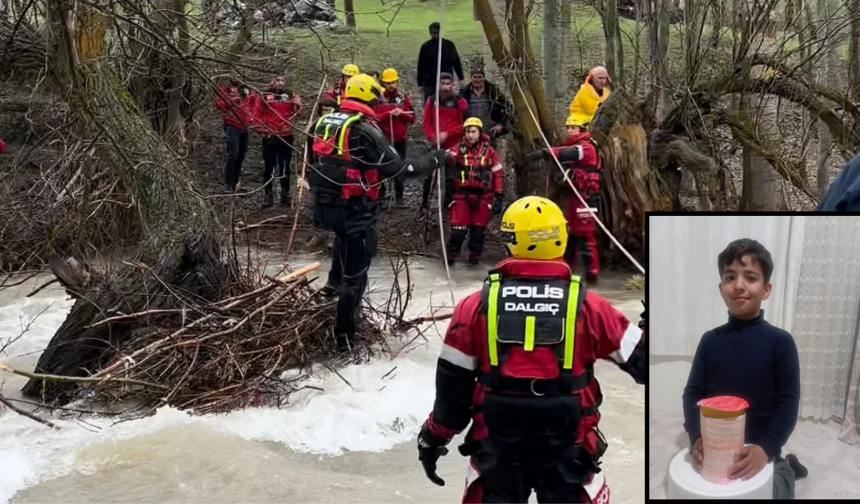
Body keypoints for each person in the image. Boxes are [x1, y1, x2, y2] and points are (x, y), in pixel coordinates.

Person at [416, 195, 645, 503]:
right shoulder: (592, 307)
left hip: (496, 454)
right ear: (561, 239)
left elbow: (452, 395)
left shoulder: (472, 307)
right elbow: (645, 365)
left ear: (511, 241)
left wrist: (432, 437)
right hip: (571, 453)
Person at [309, 73, 447, 352]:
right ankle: (344, 340)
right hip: (354, 209)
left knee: (342, 243)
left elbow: (314, 161)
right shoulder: (364, 129)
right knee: (356, 275)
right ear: (370, 96)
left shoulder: (323, 121)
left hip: (324, 205)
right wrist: (434, 160)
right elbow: (399, 169)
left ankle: (330, 291)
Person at [683, 239, 805, 499]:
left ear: (766, 289)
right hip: (716, 447)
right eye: (730, 277)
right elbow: (692, 394)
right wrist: (695, 438)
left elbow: (788, 402)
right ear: (721, 287)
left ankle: (789, 468)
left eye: (750, 277)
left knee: (771, 492)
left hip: (761, 449)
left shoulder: (780, 342)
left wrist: (766, 448)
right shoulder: (710, 341)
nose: (738, 285)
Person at [527, 113, 603, 283]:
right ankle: (567, 271)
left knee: (586, 237)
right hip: (574, 198)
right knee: (571, 235)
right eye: (568, 128)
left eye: (573, 128)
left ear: (582, 129)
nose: (570, 131)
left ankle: (592, 275)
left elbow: (571, 154)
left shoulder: (587, 147)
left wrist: (547, 152)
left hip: (586, 199)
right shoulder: (574, 145)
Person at [443, 117, 504, 265]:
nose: (470, 135)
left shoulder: (489, 152)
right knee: (458, 231)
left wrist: (499, 193)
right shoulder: (457, 149)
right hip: (461, 195)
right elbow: (448, 156)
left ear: (479, 133)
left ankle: (474, 260)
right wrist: (445, 156)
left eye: (473, 132)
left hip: (483, 195)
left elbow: (498, 173)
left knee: (477, 232)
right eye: (468, 132)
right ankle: (450, 258)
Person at [250, 75, 303, 208]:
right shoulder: (264, 95)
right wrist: (263, 130)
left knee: (285, 167)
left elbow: (299, 114)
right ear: (272, 81)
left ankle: (285, 195)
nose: (280, 83)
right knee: (269, 167)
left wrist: (298, 104)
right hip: (270, 136)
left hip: (286, 135)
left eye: (282, 80)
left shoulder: (290, 95)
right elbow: (257, 114)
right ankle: (268, 196)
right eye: (277, 80)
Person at [422, 73, 469, 210]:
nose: (445, 87)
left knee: (451, 177)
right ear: (438, 85)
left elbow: (466, 124)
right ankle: (425, 204)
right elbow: (426, 122)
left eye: (448, 84)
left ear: (453, 85)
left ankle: (448, 205)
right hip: (435, 143)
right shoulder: (431, 100)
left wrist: (447, 134)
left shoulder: (460, 101)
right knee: (429, 175)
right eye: (443, 84)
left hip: (453, 144)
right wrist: (432, 137)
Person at [374, 68, 415, 206]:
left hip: (399, 140)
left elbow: (412, 118)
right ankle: (381, 196)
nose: (391, 85)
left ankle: (399, 197)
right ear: (383, 84)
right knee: (381, 168)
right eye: (388, 83)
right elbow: (374, 118)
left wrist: (401, 113)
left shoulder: (403, 98)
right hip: (384, 140)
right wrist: (388, 114)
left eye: (393, 82)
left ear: (397, 82)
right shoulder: (379, 99)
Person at [214, 76, 255, 192]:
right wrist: (232, 101)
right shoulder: (225, 88)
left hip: (244, 126)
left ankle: (236, 183)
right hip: (231, 126)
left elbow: (253, 104)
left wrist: (252, 118)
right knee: (233, 155)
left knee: (241, 155)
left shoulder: (246, 89)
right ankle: (228, 184)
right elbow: (218, 105)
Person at [459, 68, 511, 148]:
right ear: (471, 78)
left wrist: (501, 125)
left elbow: (507, 107)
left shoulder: (492, 93)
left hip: (489, 132)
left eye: (479, 77)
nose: (477, 80)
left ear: (484, 78)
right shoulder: (464, 94)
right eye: (475, 77)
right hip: (470, 133)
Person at [416, 22, 464, 101]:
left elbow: (456, 61)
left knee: (447, 102)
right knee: (430, 103)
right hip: (430, 82)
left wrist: (461, 77)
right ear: (430, 33)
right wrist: (420, 83)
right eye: (433, 33)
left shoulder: (449, 45)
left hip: (446, 81)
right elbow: (421, 65)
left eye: (437, 32)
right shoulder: (425, 47)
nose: (435, 35)